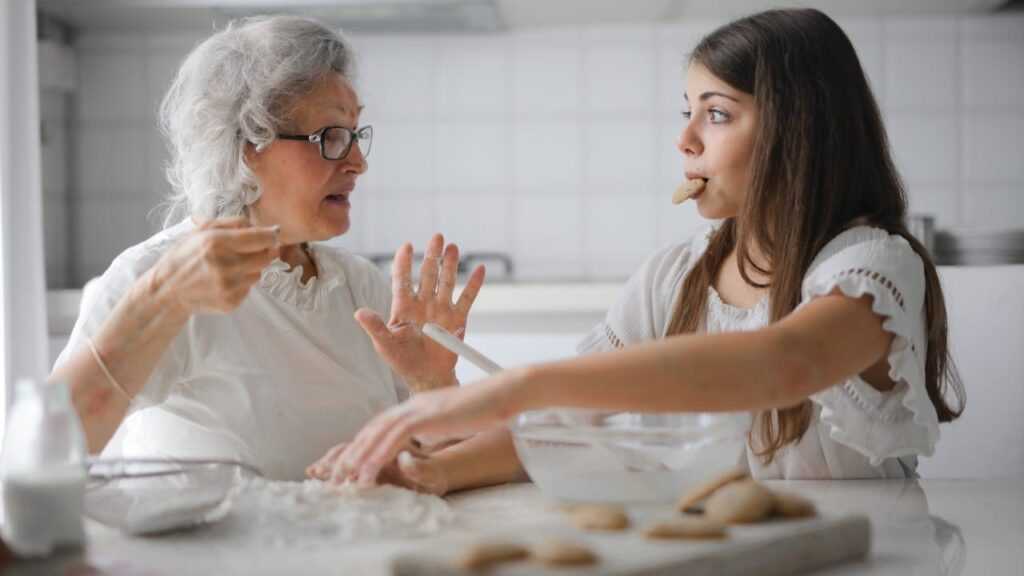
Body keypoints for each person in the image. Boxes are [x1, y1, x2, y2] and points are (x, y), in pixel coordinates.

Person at [311, 8, 965, 490]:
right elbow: (571, 421)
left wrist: (522, 383)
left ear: (799, 131)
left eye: (716, 113)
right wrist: (433, 463)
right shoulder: (673, 277)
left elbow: (784, 362)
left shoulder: (872, 267)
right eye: (687, 110)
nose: (684, 139)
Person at [49, 15, 484, 480]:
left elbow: (432, 468)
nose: (358, 162)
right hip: (213, 553)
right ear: (245, 145)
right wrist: (161, 300)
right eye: (331, 137)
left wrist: (432, 385)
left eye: (356, 135)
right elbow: (49, 449)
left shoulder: (359, 286)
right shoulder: (157, 274)